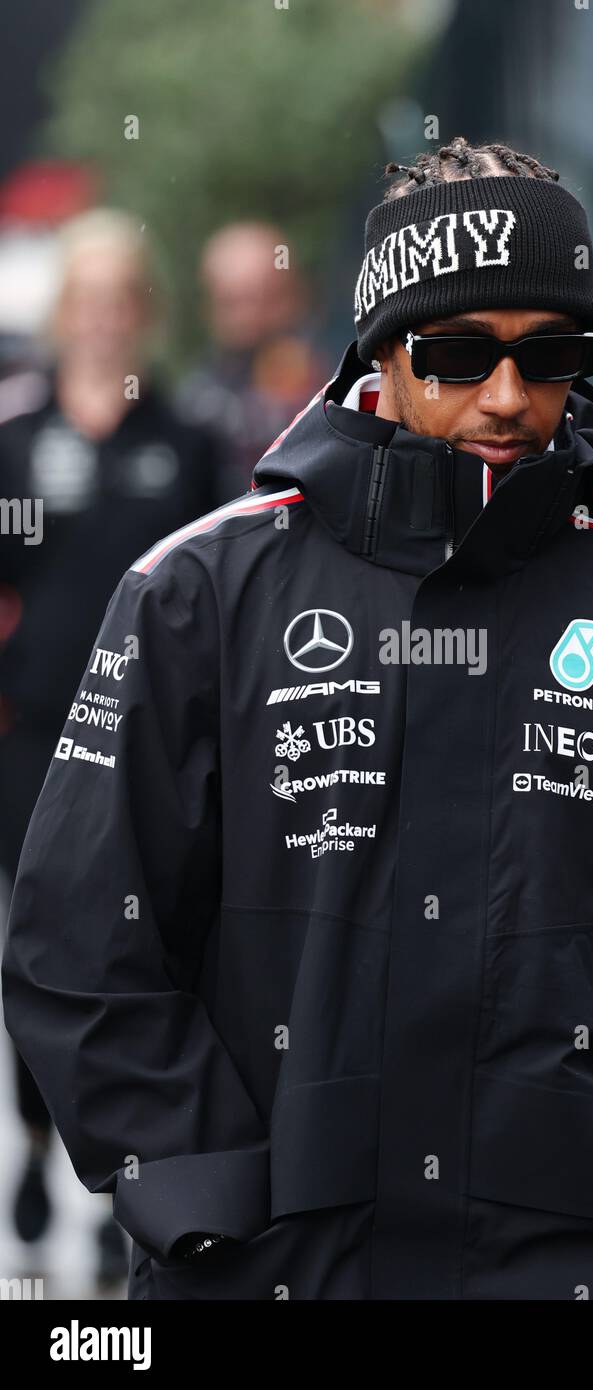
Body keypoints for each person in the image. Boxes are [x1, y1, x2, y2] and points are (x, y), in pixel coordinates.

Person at [1, 137, 593, 1301]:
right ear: (381, 351)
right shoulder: (196, 593)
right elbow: (74, 947)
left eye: (550, 354)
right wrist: (206, 1195)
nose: (508, 396)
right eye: (458, 352)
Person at [0, 207, 223, 1287]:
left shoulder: (182, 440)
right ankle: (36, 1141)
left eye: (118, 299)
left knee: (139, 962)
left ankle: (121, 1181)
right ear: (61, 313)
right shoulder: (14, 433)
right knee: (36, 955)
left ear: (143, 314)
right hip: (29, 743)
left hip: (146, 752)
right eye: (81, 299)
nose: (99, 319)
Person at [175, 221, 330, 500]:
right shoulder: (192, 407)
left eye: (266, 299)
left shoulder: (334, 391)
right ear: (209, 307)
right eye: (233, 302)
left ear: (298, 297)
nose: (250, 319)